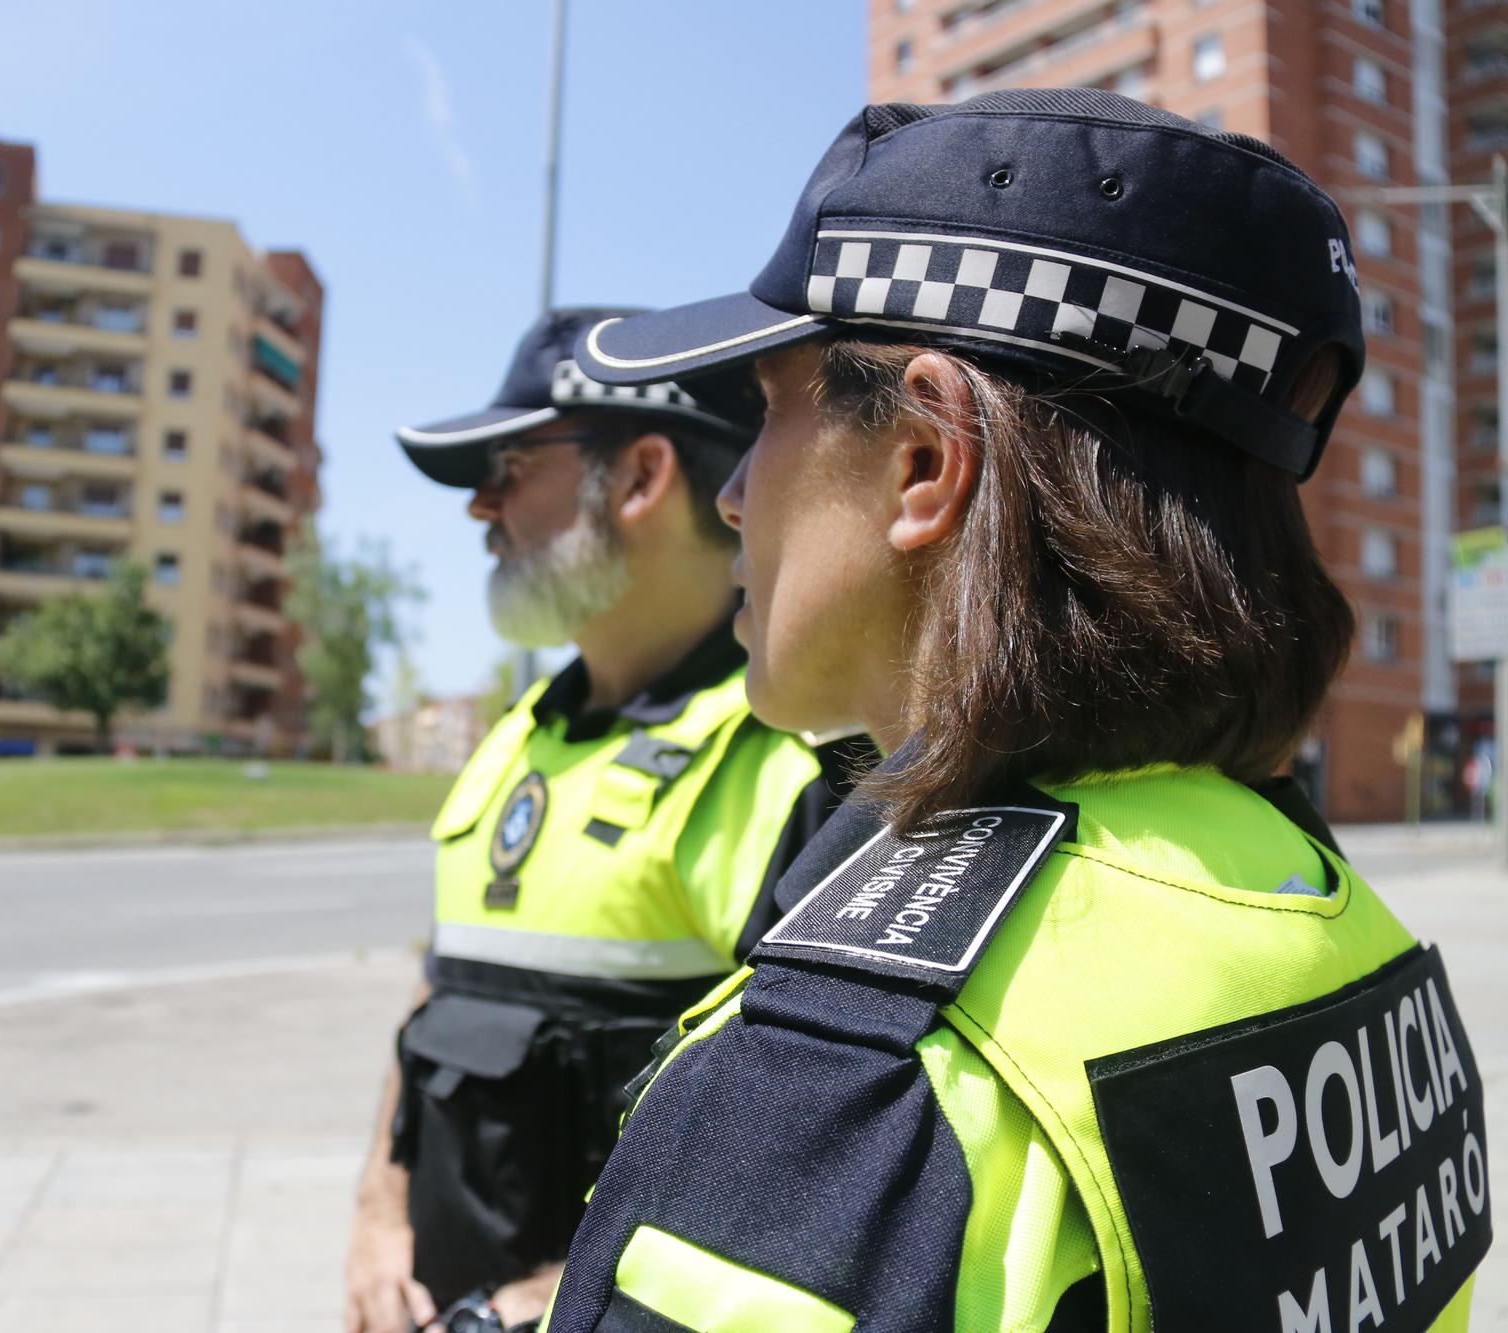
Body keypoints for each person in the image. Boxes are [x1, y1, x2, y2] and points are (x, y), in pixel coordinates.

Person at [541, 91, 1490, 1332]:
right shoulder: (1322, 903)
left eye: (769, 408)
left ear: (925, 460)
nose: (730, 496)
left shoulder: (845, 1098)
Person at [344, 308, 876, 1333]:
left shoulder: (798, 771)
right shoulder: (517, 737)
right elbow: (436, 991)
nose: (479, 507)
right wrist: (377, 1210)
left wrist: (558, 1294)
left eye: (508, 464)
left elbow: (800, 1147)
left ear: (638, 477)